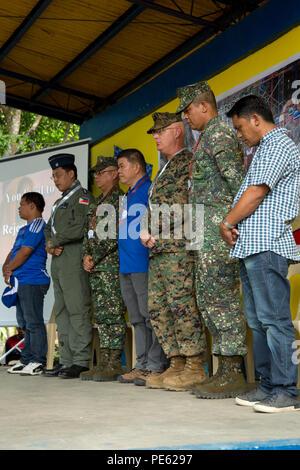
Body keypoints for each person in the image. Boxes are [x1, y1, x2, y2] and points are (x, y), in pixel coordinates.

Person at [222, 95, 300, 413]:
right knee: (257, 322)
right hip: (252, 246)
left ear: (256, 119)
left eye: (240, 128)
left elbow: (256, 193)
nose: (239, 135)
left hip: (267, 245)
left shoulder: (278, 144)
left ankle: (286, 390)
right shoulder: (264, 149)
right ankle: (268, 386)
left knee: (274, 320)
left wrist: (227, 221)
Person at [176, 80, 248, 399]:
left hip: (220, 232)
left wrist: (234, 227)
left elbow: (237, 184)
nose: (185, 118)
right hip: (205, 232)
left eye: (188, 110)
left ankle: (233, 372)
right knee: (208, 300)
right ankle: (223, 370)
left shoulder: (219, 133)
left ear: (204, 106)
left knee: (222, 299)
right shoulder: (206, 137)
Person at [140, 112, 207, 390]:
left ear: (177, 131)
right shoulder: (165, 167)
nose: (155, 136)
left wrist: (151, 229)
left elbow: (183, 204)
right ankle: (176, 362)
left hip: (178, 250)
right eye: (154, 132)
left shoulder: (187, 162)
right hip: (159, 251)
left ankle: (194, 366)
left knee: (182, 306)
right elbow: (154, 207)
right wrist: (143, 230)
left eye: (160, 131)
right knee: (158, 308)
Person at [117, 148, 167, 384]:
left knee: (150, 316)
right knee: (136, 317)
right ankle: (142, 363)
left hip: (143, 262)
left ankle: (155, 365)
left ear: (136, 167)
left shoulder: (149, 189)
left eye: (121, 166)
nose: (119, 172)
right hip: (126, 263)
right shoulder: (129, 193)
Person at [43, 153, 93, 379]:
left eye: (58, 175)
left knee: (77, 310)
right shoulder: (57, 203)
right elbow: (47, 230)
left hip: (73, 261)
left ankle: (81, 361)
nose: (55, 180)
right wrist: (49, 246)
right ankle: (66, 359)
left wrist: (57, 240)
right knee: (62, 312)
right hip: (59, 262)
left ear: (71, 173)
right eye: (53, 176)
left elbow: (81, 227)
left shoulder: (82, 198)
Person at [81, 156, 127, 382]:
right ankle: (104, 360)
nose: (97, 177)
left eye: (101, 172)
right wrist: (85, 256)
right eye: (95, 174)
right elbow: (87, 234)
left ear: (114, 174)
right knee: (100, 314)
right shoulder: (97, 202)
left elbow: (112, 236)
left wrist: (94, 257)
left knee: (113, 312)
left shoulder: (120, 200)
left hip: (110, 265)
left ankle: (114, 362)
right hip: (96, 266)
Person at [3, 192, 50, 375]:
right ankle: (26, 359)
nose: (19, 208)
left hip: (33, 279)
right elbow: (14, 251)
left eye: (22, 204)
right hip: (20, 280)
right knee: (24, 322)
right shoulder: (24, 229)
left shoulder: (38, 224)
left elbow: (25, 251)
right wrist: (7, 267)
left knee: (34, 321)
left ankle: (37, 360)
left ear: (32, 206)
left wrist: (10, 268)